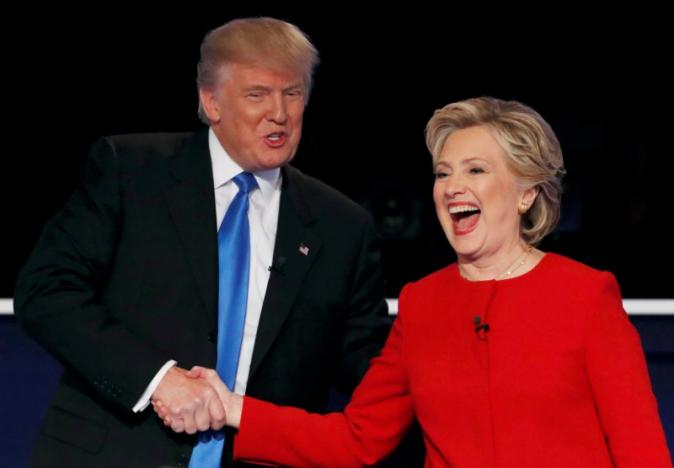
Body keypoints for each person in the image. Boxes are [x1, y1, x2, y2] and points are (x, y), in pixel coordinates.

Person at [169, 97, 673, 467]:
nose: (453, 186)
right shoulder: (423, 302)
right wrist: (230, 407)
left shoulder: (585, 295)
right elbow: (356, 437)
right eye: (442, 173)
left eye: (476, 170)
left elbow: (642, 453)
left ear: (526, 194)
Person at [14, 17, 390, 468]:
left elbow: (371, 369)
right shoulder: (130, 172)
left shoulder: (340, 225)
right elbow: (47, 292)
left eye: (292, 93)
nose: (280, 113)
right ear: (211, 101)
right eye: (257, 94)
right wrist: (159, 380)